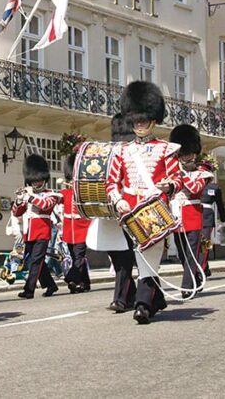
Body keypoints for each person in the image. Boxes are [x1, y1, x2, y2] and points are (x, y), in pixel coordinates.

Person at [105, 81, 187, 325]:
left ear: (153, 120)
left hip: (154, 211)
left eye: (144, 120)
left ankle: (142, 305)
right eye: (137, 120)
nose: (140, 124)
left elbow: (177, 179)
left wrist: (169, 186)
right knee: (139, 259)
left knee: (148, 259)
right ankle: (157, 298)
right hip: (128, 213)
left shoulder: (166, 149)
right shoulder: (122, 151)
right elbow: (112, 183)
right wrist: (118, 200)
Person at [89, 113, 138, 313]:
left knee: (124, 258)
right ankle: (134, 295)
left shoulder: (136, 154)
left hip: (130, 211)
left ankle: (120, 299)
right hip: (108, 213)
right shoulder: (107, 153)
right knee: (118, 258)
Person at [169, 124, 213, 293]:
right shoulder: (174, 172)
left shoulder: (203, 172)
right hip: (176, 216)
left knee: (192, 253)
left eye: (189, 154)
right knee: (182, 253)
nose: (187, 158)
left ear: (195, 154)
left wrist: (181, 175)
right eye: (183, 155)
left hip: (193, 215)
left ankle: (187, 287)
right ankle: (194, 278)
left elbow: (195, 188)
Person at [12, 154, 62, 299]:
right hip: (29, 232)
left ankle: (29, 290)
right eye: (33, 180)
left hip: (42, 232)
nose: (36, 183)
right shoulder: (28, 194)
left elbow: (45, 205)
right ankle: (51, 285)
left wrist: (29, 197)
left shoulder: (51, 194)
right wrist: (19, 201)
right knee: (31, 260)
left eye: (38, 180)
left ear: (44, 180)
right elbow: (17, 213)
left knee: (35, 261)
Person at [61, 152, 92, 293]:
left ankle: (71, 278)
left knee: (79, 256)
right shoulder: (65, 193)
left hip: (82, 228)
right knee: (75, 257)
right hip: (69, 229)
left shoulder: (85, 192)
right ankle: (84, 283)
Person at [200, 160, 225, 276]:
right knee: (204, 244)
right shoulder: (214, 187)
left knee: (202, 243)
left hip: (204, 216)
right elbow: (220, 205)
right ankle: (203, 267)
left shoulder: (213, 188)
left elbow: (220, 205)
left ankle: (203, 267)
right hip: (203, 216)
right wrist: (223, 219)